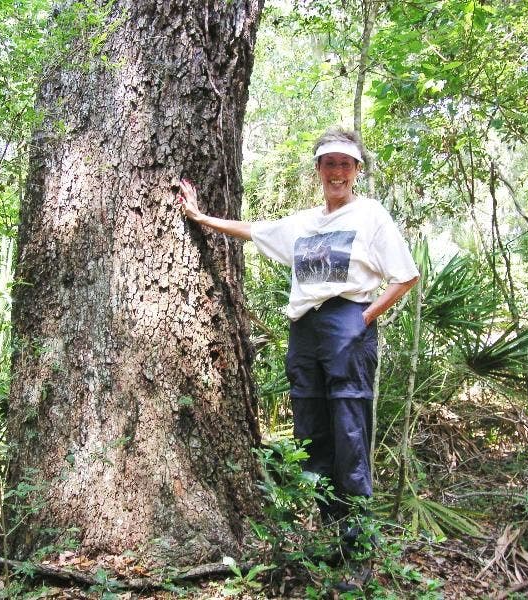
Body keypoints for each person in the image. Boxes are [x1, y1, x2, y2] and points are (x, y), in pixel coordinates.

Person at [176, 127, 419, 588]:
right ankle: (330, 536)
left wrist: (364, 317)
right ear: (319, 170)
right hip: (304, 330)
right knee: (311, 428)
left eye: (345, 164)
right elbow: (253, 231)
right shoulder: (305, 223)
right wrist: (200, 217)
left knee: (349, 429)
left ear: (356, 171)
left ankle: (358, 546)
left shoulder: (370, 214)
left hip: (348, 320)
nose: (337, 172)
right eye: (329, 163)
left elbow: (404, 276)